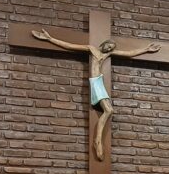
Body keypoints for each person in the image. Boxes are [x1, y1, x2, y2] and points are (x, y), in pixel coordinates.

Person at [31, 29, 161, 161]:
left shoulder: (107, 54)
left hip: (98, 81)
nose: (109, 49)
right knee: (109, 110)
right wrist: (50, 39)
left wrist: (146, 49)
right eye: (108, 46)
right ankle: (97, 141)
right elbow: (70, 46)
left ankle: (98, 140)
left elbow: (128, 53)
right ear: (103, 44)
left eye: (111, 48)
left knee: (109, 110)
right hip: (95, 82)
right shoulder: (92, 49)